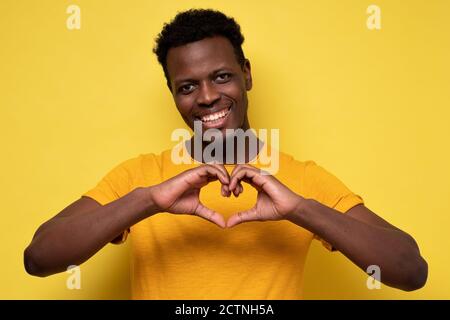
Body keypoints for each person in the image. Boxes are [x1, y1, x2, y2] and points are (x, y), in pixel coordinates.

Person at [24, 9, 428, 299]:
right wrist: (147, 201)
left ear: (246, 74)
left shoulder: (303, 179)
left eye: (221, 76)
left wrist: (301, 210)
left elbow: (410, 270)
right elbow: (40, 258)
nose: (208, 97)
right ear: (174, 95)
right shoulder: (141, 175)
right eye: (187, 86)